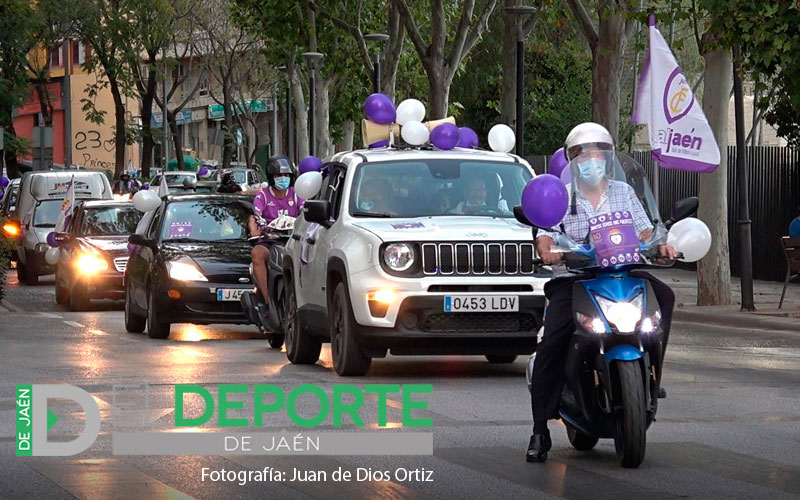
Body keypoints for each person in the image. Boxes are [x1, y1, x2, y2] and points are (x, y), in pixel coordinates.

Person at [526, 122, 678, 463]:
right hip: (576, 279)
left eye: (598, 154)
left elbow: (645, 229)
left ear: (608, 158)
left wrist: (661, 242)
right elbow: (546, 233)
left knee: (664, 297)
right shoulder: (561, 196)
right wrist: (547, 248)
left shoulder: (623, 191)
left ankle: (653, 373)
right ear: (572, 160)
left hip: (622, 273)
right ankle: (540, 429)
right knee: (552, 343)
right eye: (583, 155)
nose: (591, 161)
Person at [248, 156, 303, 308]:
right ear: (272, 177)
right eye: (279, 176)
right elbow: (254, 215)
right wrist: (254, 228)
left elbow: (305, 212)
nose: (283, 179)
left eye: (286, 176)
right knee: (257, 254)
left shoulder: (296, 194)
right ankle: (267, 301)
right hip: (270, 240)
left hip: (292, 241)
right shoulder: (263, 195)